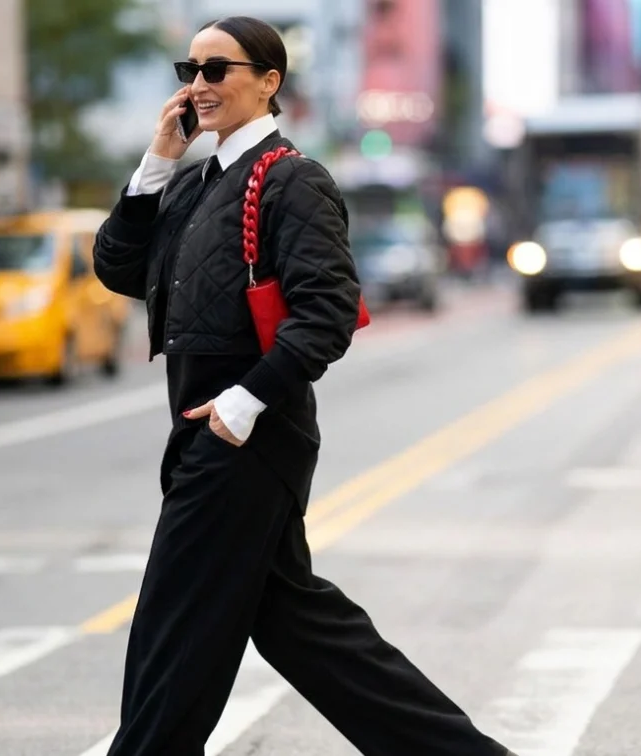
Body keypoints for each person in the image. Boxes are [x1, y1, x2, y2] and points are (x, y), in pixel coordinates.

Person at [91, 16, 515, 756]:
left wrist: (242, 405)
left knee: (172, 626)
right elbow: (121, 270)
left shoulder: (293, 179)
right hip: (208, 431)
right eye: (189, 70)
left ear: (268, 80)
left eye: (218, 70)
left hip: (245, 436)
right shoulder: (193, 183)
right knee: (307, 633)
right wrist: (156, 161)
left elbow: (326, 314)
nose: (199, 84)